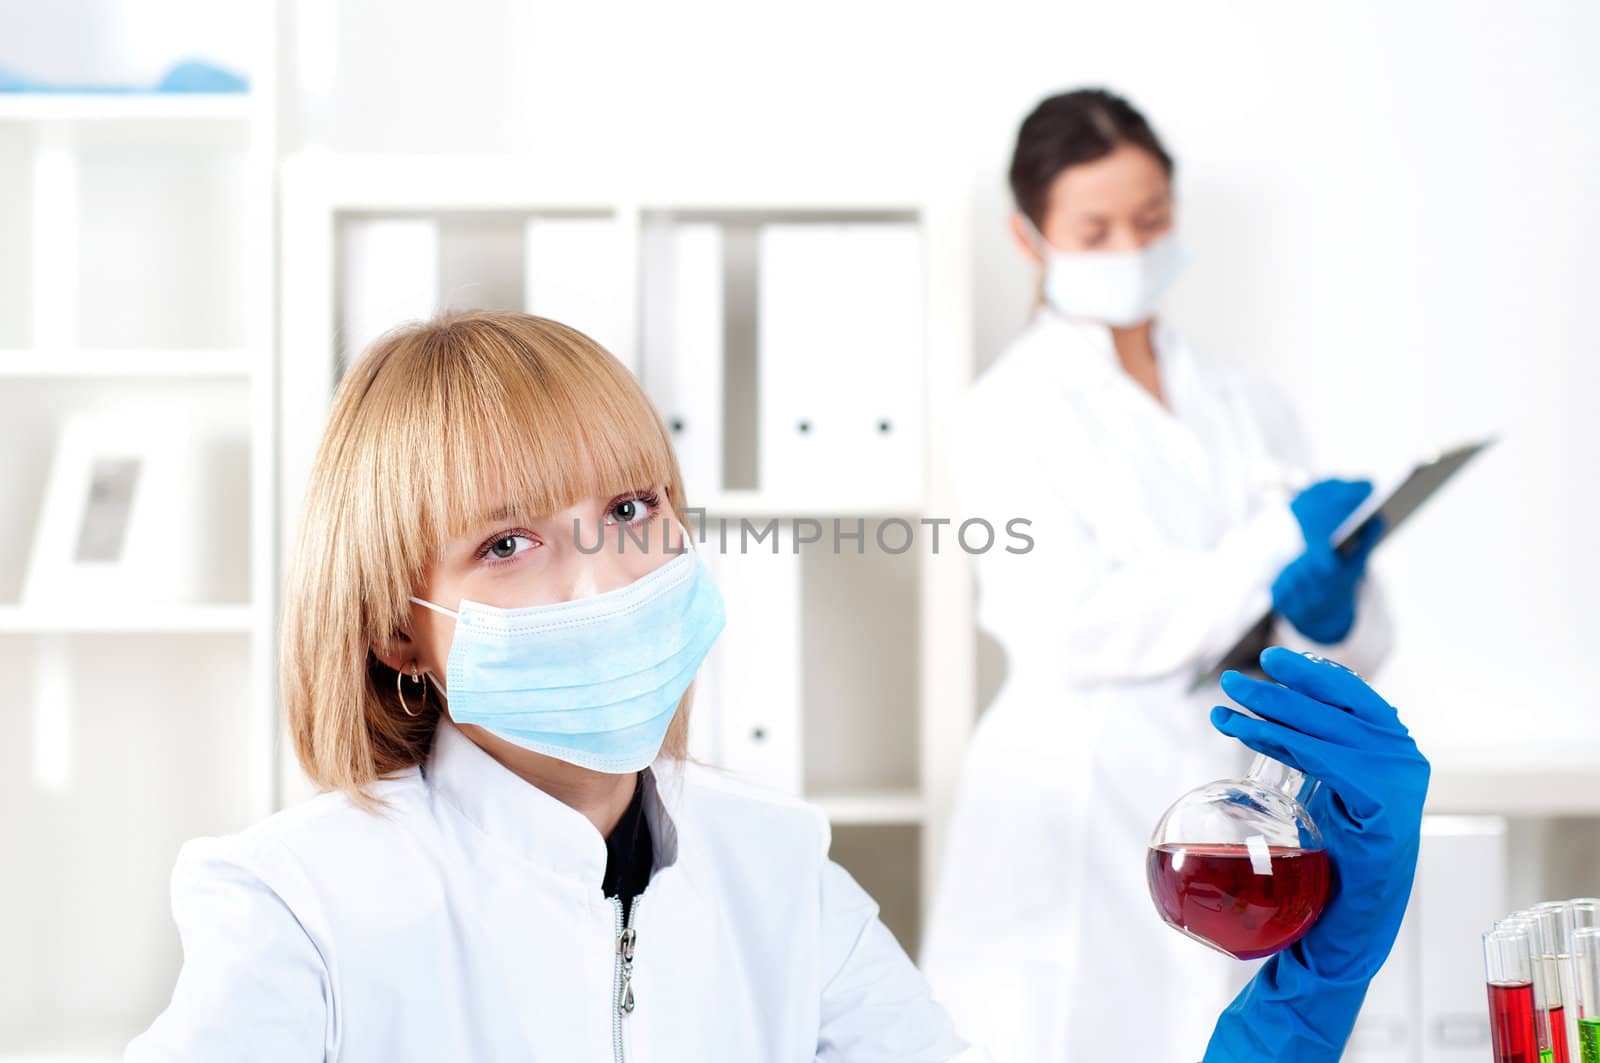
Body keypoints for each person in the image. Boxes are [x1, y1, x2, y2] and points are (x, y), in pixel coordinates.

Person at [123, 309, 1426, 1062]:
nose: (605, 578)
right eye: (508, 542)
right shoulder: (293, 902)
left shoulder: (777, 873)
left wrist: (1300, 1007)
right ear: (399, 632)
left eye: (632, 508)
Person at [920, 88, 1397, 1061]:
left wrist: (1331, 607)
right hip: (1080, 788)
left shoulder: (1245, 399)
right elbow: (1067, 622)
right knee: (1070, 1027)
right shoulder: (1006, 410)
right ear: (1029, 235)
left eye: (1149, 219)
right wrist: (1270, 548)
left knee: (1224, 1028)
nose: (1129, 246)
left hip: (1236, 786)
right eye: (1093, 228)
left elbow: (1350, 639)